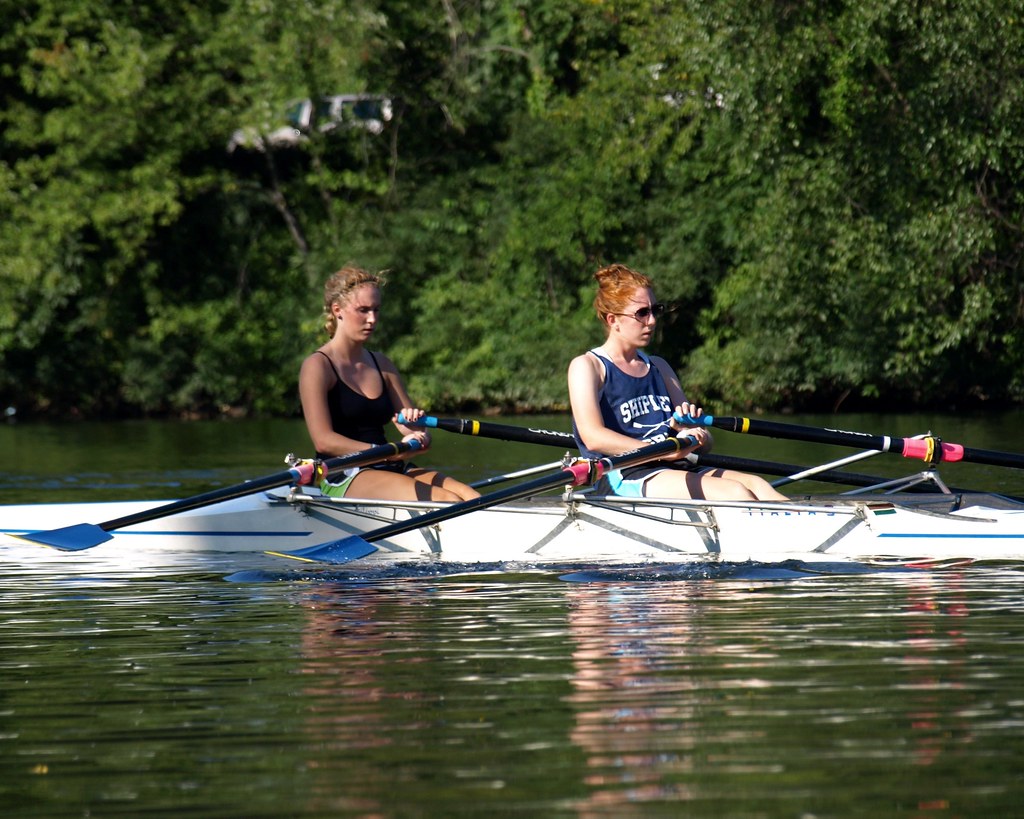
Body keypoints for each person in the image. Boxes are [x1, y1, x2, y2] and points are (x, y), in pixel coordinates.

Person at [568, 263, 788, 502]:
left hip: (673, 466)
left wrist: (694, 434)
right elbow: (593, 436)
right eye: (642, 313)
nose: (652, 321)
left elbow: (705, 442)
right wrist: (664, 449)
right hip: (624, 472)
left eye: (655, 310)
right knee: (735, 492)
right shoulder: (588, 367)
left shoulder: (660, 367)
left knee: (758, 485)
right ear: (613, 320)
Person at [299, 265, 479, 502]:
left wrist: (416, 434)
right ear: (338, 310)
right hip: (342, 473)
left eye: (376, 310)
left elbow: (418, 434)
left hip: (389, 463)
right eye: (363, 310)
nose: (372, 319)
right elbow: (324, 440)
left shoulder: (382, 364)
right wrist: (385, 452)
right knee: (448, 500)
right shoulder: (318, 366)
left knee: (472, 496)